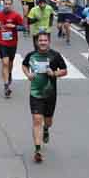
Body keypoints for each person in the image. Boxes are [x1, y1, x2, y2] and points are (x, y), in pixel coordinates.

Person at [22, 31, 68, 164]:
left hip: (50, 94)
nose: (42, 42)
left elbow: (64, 70)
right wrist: (27, 74)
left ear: (49, 42)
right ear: (37, 42)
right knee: (37, 120)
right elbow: (24, 65)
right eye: (40, 40)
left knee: (48, 121)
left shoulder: (55, 56)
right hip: (35, 93)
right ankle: (37, 150)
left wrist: (54, 73)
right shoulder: (31, 55)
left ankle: (46, 129)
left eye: (45, 40)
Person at [0, 0, 26, 97]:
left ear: (12, 5)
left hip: (12, 43)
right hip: (2, 42)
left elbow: (24, 28)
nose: (7, 6)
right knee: (5, 63)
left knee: (10, 63)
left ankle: (9, 74)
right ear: (3, 4)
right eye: (5, 4)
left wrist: (14, 27)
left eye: (9, 4)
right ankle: (6, 85)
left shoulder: (16, 16)